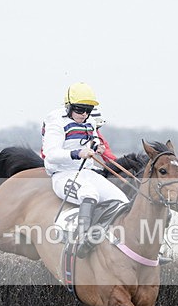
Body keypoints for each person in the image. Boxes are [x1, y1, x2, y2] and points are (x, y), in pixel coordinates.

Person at [41, 82, 129, 258]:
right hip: (62, 174)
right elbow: (50, 154)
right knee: (89, 194)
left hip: (87, 172)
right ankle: (82, 240)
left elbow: (94, 139)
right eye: (80, 110)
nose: (84, 115)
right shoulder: (56, 121)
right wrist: (77, 153)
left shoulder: (89, 120)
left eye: (88, 110)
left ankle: (103, 237)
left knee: (122, 200)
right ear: (69, 107)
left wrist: (97, 146)